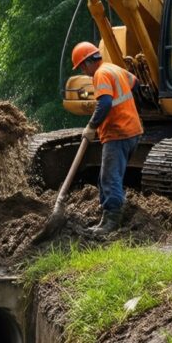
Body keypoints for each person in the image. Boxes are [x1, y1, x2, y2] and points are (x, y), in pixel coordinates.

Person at [72, 41, 144, 235]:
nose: (84, 72)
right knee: (108, 176)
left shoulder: (100, 74)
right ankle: (106, 218)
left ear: (88, 62)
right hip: (132, 131)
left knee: (110, 177)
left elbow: (104, 103)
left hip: (118, 132)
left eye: (82, 67)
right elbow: (135, 83)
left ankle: (112, 222)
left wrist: (91, 126)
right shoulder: (114, 68)